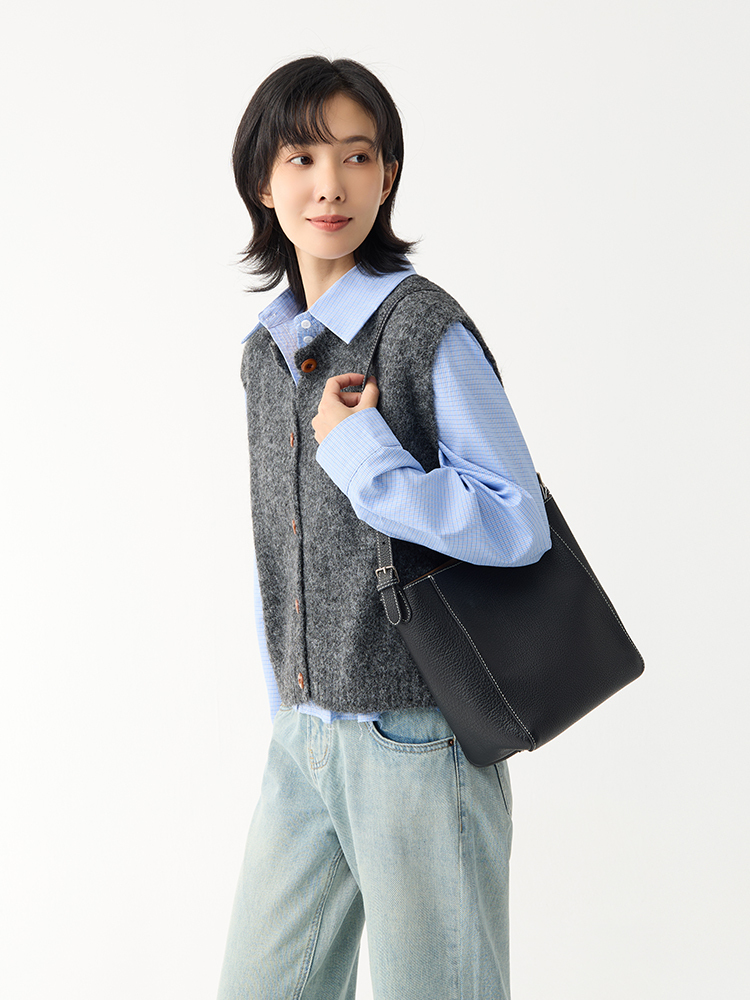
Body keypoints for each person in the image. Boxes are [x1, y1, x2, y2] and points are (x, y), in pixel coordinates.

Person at [218, 55, 551, 1000]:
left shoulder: (421, 328)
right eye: (303, 158)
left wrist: (367, 457)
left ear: (387, 175)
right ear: (264, 182)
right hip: (303, 737)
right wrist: (287, 704)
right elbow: (279, 546)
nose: (331, 184)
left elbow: (518, 524)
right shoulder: (265, 356)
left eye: (357, 156)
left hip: (416, 740)